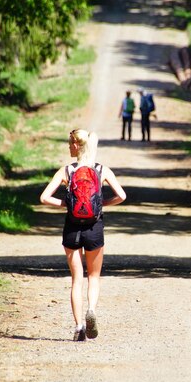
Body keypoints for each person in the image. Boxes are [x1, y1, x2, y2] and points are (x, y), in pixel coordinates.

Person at [40, 129, 126, 341]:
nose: (69, 147)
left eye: (70, 144)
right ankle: (92, 311)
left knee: (76, 279)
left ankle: (79, 327)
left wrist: (67, 204)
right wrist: (101, 204)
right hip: (94, 227)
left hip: (72, 227)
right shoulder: (101, 170)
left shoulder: (66, 171)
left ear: (77, 146)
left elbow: (44, 198)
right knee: (93, 276)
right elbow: (122, 195)